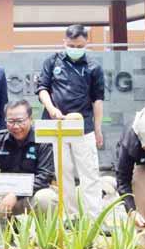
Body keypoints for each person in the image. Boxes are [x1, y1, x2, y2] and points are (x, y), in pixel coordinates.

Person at [36, 24, 105, 219]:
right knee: (63, 172)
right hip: (58, 126)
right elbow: (42, 89)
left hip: (84, 127)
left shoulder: (93, 67)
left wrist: (98, 129)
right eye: (72, 45)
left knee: (89, 173)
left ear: (86, 43)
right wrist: (52, 109)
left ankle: (93, 218)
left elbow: (98, 100)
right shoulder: (52, 61)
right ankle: (70, 216)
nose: (75, 49)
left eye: (80, 46)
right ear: (64, 42)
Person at [0, 100, 57, 222]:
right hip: (4, 192)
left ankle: (38, 227)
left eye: (20, 121)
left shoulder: (43, 141)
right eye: (11, 121)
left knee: (47, 200)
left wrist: (16, 194)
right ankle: (12, 224)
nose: (15, 126)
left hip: (32, 194)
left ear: (30, 119)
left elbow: (44, 177)